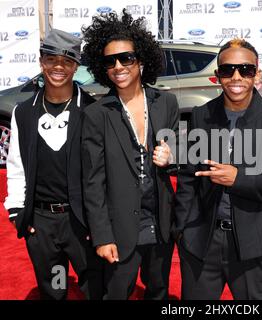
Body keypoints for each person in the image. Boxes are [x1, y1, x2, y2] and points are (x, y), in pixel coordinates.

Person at [174, 38, 262, 300]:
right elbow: (187, 177)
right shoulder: (201, 115)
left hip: (255, 245)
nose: (236, 77)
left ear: (257, 73)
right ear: (218, 76)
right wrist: (182, 229)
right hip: (201, 242)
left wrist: (238, 179)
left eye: (245, 69)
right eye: (228, 70)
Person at [81, 10, 179, 300]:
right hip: (119, 226)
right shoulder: (96, 114)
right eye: (110, 61)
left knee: (158, 291)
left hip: (160, 221)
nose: (118, 66)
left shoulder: (167, 103)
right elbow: (93, 182)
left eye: (126, 58)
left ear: (142, 61)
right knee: (116, 293)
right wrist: (102, 236)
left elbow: (175, 159)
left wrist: (174, 158)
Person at [4, 29, 103, 300]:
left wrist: (98, 221)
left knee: (96, 290)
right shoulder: (23, 112)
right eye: (51, 59)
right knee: (55, 290)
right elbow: (16, 165)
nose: (58, 67)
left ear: (76, 66)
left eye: (67, 61)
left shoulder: (93, 111)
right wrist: (17, 211)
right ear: (41, 61)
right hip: (42, 225)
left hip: (82, 222)